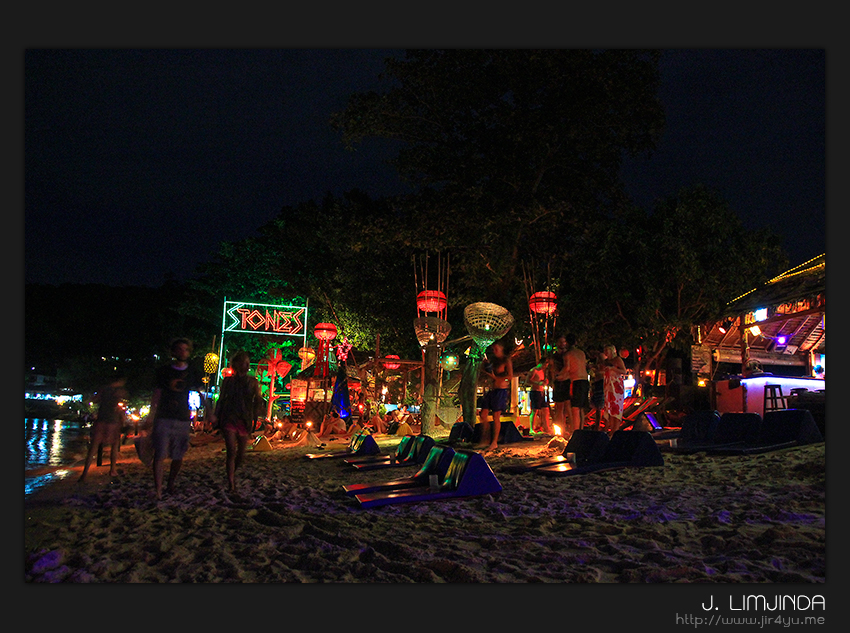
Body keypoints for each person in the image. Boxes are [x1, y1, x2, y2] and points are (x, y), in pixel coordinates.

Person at [147, 338, 206, 500]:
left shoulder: (193, 371)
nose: (182, 352)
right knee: (160, 453)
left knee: (178, 455)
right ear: (173, 351)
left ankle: (170, 483)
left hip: (182, 416)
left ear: (189, 352)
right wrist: (151, 415)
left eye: (185, 349)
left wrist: (208, 411)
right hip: (163, 416)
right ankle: (158, 488)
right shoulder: (163, 371)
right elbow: (157, 393)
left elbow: (200, 392)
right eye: (179, 349)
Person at [210, 350, 264, 492]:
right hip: (230, 416)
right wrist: (216, 416)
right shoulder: (228, 381)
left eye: (247, 363)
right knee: (231, 451)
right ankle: (231, 483)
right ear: (236, 364)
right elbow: (221, 399)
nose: (246, 366)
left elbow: (257, 400)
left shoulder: (253, 382)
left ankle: (232, 473)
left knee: (241, 453)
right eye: (243, 363)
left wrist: (256, 416)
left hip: (244, 417)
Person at [79, 373, 129, 482]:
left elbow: (94, 399)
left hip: (101, 420)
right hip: (113, 421)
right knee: (115, 445)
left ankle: (84, 473)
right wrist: (123, 418)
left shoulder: (104, 389)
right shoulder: (120, 391)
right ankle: (112, 470)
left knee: (94, 447)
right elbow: (120, 407)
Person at [476, 341, 513, 452]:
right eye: (493, 349)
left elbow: (510, 376)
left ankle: (494, 442)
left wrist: (496, 378)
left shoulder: (506, 360)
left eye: (496, 348)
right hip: (491, 390)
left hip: (500, 390)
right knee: (483, 414)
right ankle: (485, 439)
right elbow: (487, 372)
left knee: (496, 416)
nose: (494, 351)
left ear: (501, 348)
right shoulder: (494, 361)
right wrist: (485, 368)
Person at [565, 333, 589, 435]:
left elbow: (567, 368)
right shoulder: (581, 353)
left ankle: (576, 432)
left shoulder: (568, 354)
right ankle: (581, 430)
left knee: (575, 408)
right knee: (581, 408)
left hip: (577, 381)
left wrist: (559, 377)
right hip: (584, 380)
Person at [602, 344, 628, 435]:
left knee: (616, 408)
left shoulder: (617, 360)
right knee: (609, 408)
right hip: (608, 386)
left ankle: (615, 430)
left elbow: (624, 371)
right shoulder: (606, 361)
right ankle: (609, 429)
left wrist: (613, 369)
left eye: (607, 350)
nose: (605, 352)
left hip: (616, 386)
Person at [549, 335, 571, 436]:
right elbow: (552, 368)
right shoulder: (554, 356)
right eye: (560, 342)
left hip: (567, 381)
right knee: (559, 407)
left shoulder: (568, 354)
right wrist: (553, 380)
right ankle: (560, 430)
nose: (562, 344)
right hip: (558, 382)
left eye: (564, 342)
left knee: (568, 406)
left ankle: (571, 429)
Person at [527, 354, 553, 435]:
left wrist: (545, 382)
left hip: (542, 392)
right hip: (535, 392)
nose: (545, 366)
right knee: (535, 410)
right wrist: (538, 383)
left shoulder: (542, 372)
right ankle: (531, 428)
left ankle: (547, 427)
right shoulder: (534, 370)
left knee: (545, 409)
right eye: (545, 364)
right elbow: (527, 381)